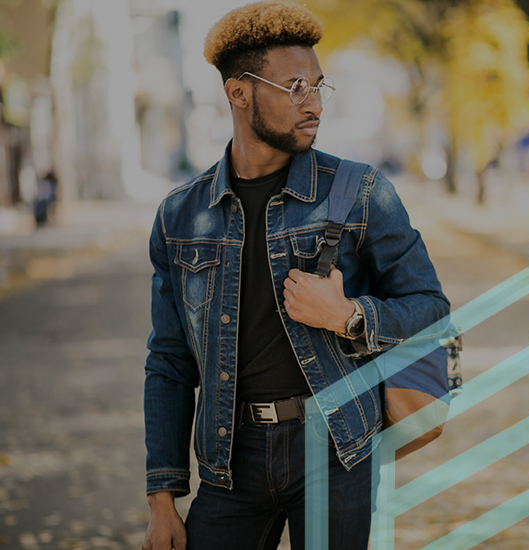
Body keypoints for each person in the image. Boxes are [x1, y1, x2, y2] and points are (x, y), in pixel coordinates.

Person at [142, 2, 450, 549]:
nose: (314, 105)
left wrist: (351, 316)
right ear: (239, 93)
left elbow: (431, 306)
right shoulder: (180, 217)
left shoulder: (360, 192)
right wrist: (162, 499)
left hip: (336, 448)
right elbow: (169, 362)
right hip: (229, 460)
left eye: (318, 87)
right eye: (296, 87)